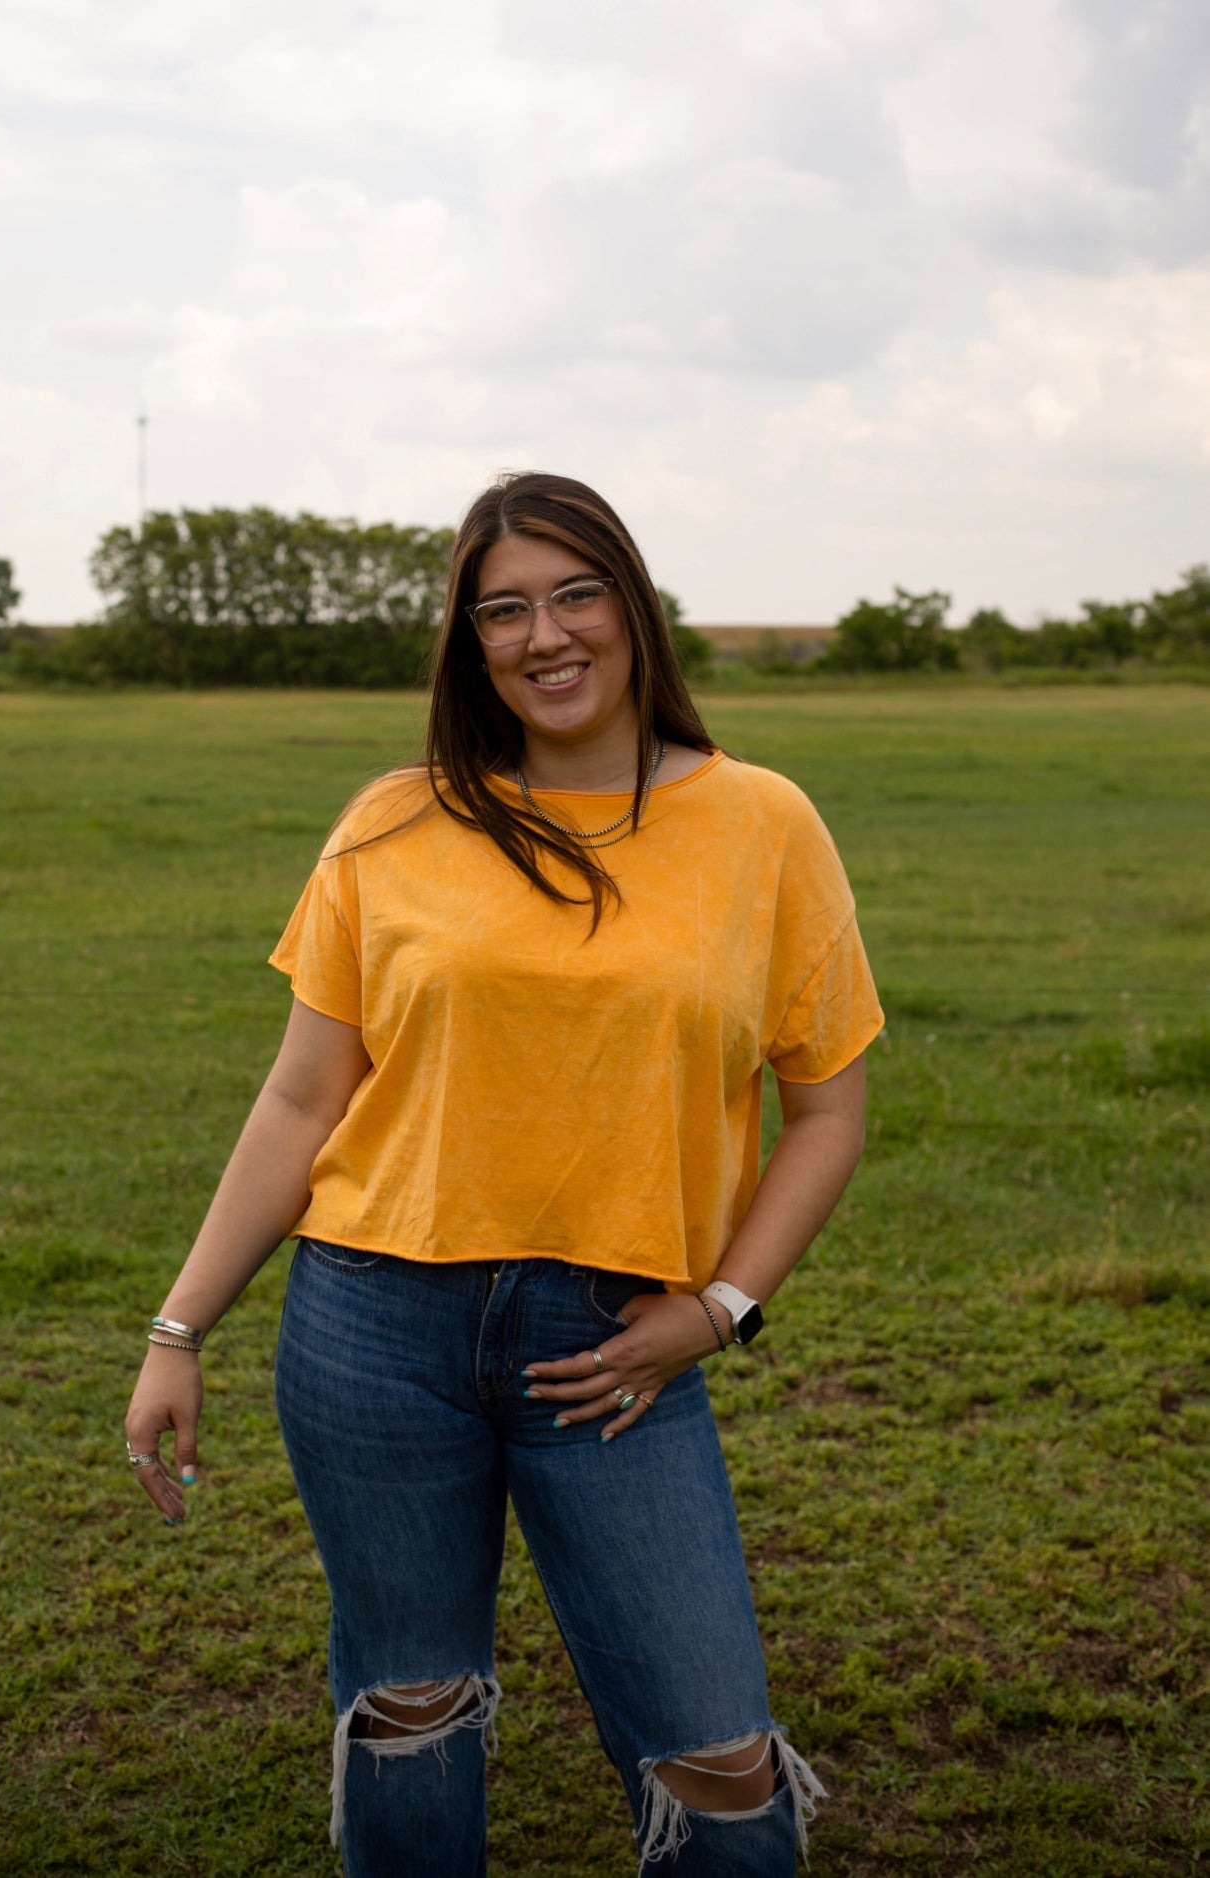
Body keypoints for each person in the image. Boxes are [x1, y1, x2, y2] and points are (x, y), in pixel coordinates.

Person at [125, 470, 883, 1876]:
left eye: (576, 594)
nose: (547, 635)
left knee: (720, 1766)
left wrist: (721, 1308)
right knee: (409, 1715)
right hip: (371, 1329)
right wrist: (180, 1329)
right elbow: (302, 1098)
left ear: (633, 609)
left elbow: (828, 1110)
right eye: (505, 610)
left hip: (615, 1348)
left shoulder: (764, 822)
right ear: (472, 644)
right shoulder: (394, 821)